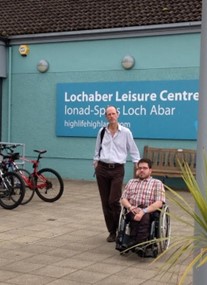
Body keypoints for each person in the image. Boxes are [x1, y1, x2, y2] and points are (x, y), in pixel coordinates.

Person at [93, 105, 140, 242]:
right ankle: (112, 231)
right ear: (106, 116)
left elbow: (133, 150)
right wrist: (96, 162)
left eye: (113, 113)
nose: (111, 116)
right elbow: (97, 148)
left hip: (117, 169)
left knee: (113, 200)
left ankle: (120, 228)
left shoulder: (125, 132)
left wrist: (137, 165)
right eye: (109, 114)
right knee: (105, 202)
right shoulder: (102, 131)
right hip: (102, 168)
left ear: (118, 115)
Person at [120, 158, 165, 246]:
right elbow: (123, 199)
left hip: (149, 211)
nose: (141, 170)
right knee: (135, 215)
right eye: (139, 168)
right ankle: (139, 243)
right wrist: (130, 207)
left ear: (150, 170)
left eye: (145, 168)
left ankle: (137, 242)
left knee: (144, 216)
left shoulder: (157, 183)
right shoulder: (131, 182)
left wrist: (143, 211)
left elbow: (160, 202)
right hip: (133, 209)